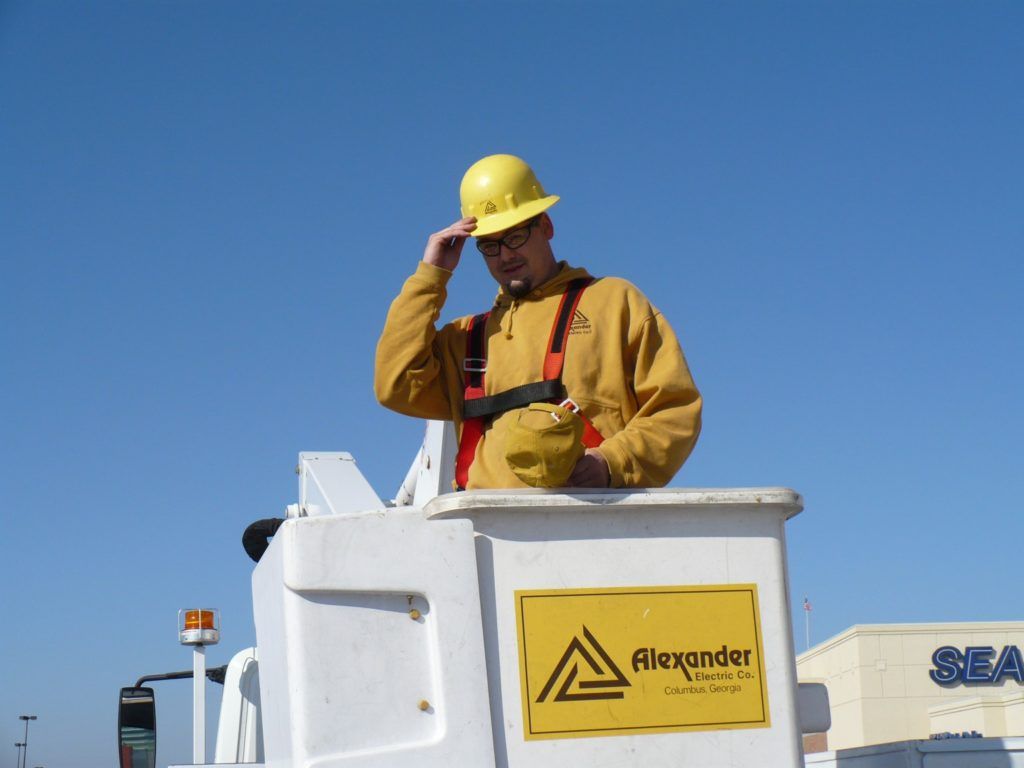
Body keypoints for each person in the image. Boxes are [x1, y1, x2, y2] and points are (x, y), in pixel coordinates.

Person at [374, 154, 701, 489]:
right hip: (486, 520)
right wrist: (431, 276)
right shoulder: (467, 338)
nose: (505, 255)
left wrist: (611, 462)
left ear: (546, 226)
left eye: (515, 236)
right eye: (490, 245)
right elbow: (395, 385)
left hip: (592, 516)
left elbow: (675, 409)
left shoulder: (614, 301)